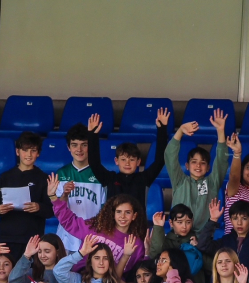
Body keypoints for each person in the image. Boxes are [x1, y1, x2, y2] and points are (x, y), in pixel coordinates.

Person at [49, 175, 147, 273]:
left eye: (128, 212)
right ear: (113, 214)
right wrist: (53, 197)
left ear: (134, 216)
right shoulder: (95, 227)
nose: (123, 216)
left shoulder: (136, 243)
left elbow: (139, 271)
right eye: (118, 212)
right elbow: (69, 220)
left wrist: (147, 253)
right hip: (82, 278)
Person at [0, 132, 54, 262]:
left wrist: (38, 207)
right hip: (8, 237)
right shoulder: (5, 177)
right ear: (17, 152)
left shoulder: (43, 178)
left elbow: (51, 211)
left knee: (29, 278)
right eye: (25, 150)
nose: (29, 155)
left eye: (33, 150)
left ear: (38, 153)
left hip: (32, 239)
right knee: (8, 276)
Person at [86, 109, 169, 208]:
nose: (127, 163)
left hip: (137, 223)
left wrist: (162, 129)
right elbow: (94, 163)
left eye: (132, 160)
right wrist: (92, 135)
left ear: (138, 162)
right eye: (123, 159)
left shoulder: (143, 179)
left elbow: (160, 160)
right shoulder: (109, 179)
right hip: (113, 223)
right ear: (116, 161)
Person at [165, 109, 229, 233]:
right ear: (187, 166)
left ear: (208, 168)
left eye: (203, 162)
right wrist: (180, 132)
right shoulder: (179, 180)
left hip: (204, 238)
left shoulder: (212, 182)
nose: (198, 165)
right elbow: (170, 156)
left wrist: (220, 131)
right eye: (194, 162)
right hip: (179, 237)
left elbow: (221, 160)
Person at [54, 122, 106, 252]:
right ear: (68, 147)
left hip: (93, 236)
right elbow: (59, 209)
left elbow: (105, 208)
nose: (79, 150)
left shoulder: (100, 174)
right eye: (74, 145)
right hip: (67, 238)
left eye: (84, 145)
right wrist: (65, 194)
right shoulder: (62, 173)